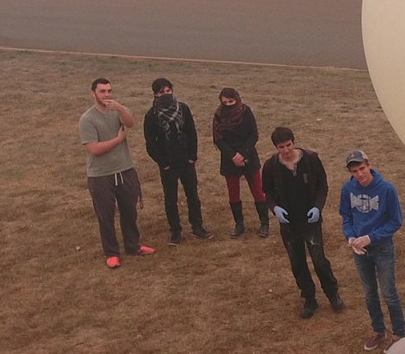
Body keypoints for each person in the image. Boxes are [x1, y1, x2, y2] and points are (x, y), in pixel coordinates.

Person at [260, 126, 344, 319]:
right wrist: (275, 209)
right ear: (276, 147)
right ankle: (309, 298)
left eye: (288, 145)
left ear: (294, 142)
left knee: (319, 260)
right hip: (289, 224)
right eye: (281, 147)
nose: (286, 150)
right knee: (297, 262)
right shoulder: (271, 166)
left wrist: (317, 207)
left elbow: (322, 185)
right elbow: (268, 193)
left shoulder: (311, 159)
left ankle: (332, 294)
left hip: (310, 221)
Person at [79, 77, 154, 268]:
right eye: (102, 91)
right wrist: (118, 140)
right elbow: (94, 149)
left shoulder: (117, 110)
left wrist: (119, 108)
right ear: (93, 93)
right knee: (106, 215)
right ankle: (111, 252)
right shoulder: (87, 119)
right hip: (101, 175)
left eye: (109, 91)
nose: (107, 95)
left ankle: (133, 245)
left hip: (125, 169)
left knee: (130, 211)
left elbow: (131, 122)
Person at [340, 150, 405, 351]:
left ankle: (398, 333)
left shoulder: (387, 189)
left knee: (388, 292)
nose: (360, 174)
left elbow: (396, 221)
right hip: (360, 251)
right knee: (369, 293)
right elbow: (346, 217)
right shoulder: (347, 189)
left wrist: (371, 237)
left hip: (382, 248)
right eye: (355, 171)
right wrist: (351, 238)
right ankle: (379, 330)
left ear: (369, 165)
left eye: (362, 168)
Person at [142, 78, 212, 245]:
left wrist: (192, 156)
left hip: (186, 161)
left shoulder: (183, 109)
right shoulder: (151, 116)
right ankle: (175, 231)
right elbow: (150, 143)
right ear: (155, 94)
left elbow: (191, 133)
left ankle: (197, 226)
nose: (165, 94)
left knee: (193, 196)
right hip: (168, 164)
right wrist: (163, 162)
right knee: (170, 199)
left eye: (167, 91)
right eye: (161, 92)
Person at [212, 87, 269, 238]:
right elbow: (218, 139)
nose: (228, 104)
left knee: (257, 190)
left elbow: (253, 135)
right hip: (229, 159)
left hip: (248, 155)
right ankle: (239, 224)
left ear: (236, 99)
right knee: (233, 193)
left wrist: (242, 154)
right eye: (225, 102)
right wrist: (233, 156)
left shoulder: (246, 111)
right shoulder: (219, 115)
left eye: (231, 101)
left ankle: (264, 223)